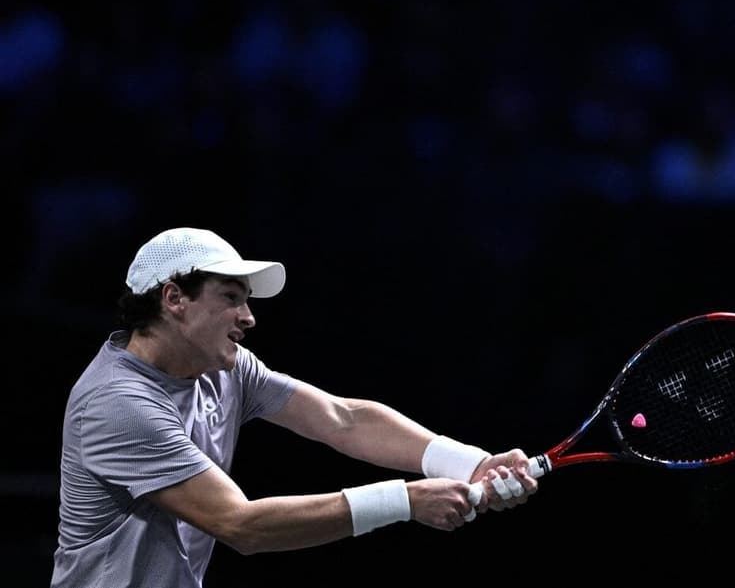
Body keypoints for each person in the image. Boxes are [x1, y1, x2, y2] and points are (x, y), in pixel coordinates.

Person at [51, 227, 538, 588]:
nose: (249, 317)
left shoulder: (227, 367)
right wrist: (406, 502)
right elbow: (240, 525)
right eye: (231, 298)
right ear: (174, 298)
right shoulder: (118, 403)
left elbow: (342, 419)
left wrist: (472, 463)